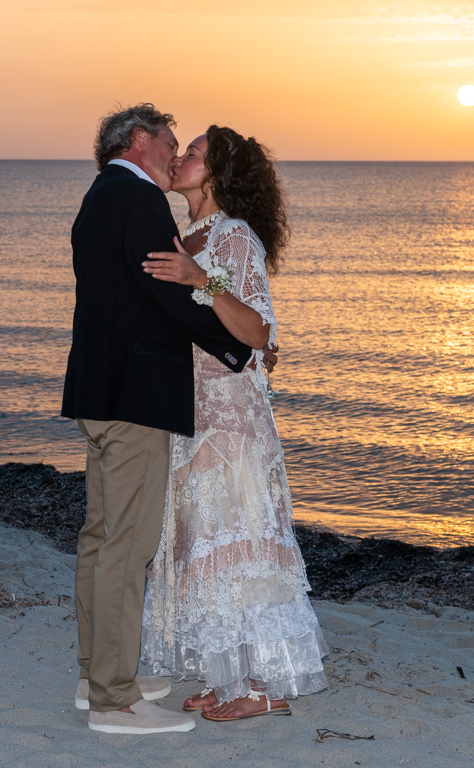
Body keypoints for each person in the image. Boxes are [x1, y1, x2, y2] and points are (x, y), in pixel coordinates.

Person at [61, 105, 253, 735]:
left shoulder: (98, 195)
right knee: (127, 543)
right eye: (170, 141)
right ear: (138, 140)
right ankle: (115, 698)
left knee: (99, 536)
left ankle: (99, 675)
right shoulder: (138, 199)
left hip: (98, 389)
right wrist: (238, 345)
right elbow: (164, 290)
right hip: (136, 397)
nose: (175, 154)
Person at [140, 125, 329, 722]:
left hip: (230, 415)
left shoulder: (234, 236)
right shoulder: (181, 235)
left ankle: (261, 683)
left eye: (192, 153)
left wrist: (203, 280)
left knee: (238, 541)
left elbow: (258, 331)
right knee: (199, 543)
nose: (180, 158)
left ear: (216, 173)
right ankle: (225, 674)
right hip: (187, 408)